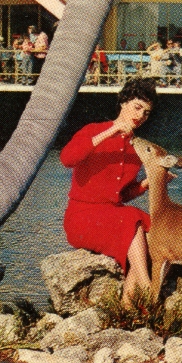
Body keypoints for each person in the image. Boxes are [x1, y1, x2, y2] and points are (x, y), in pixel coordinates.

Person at [61, 78, 156, 308]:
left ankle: (127, 306)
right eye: (137, 107)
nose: (140, 116)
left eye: (146, 112)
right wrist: (111, 131)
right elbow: (67, 159)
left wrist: (145, 184)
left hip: (113, 217)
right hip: (81, 218)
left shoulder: (136, 149)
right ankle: (147, 286)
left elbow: (120, 197)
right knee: (132, 217)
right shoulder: (93, 131)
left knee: (152, 231)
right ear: (123, 103)